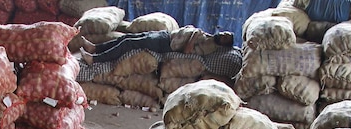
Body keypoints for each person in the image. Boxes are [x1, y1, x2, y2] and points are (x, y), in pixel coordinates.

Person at [78, 28, 234, 65]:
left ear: (224, 44)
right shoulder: (209, 37)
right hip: (166, 35)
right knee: (127, 36)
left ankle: (95, 59)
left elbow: (188, 50)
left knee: (128, 44)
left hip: (165, 44)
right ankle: (95, 48)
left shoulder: (209, 47)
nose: (222, 34)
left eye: (225, 37)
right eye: (224, 33)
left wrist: (194, 33)